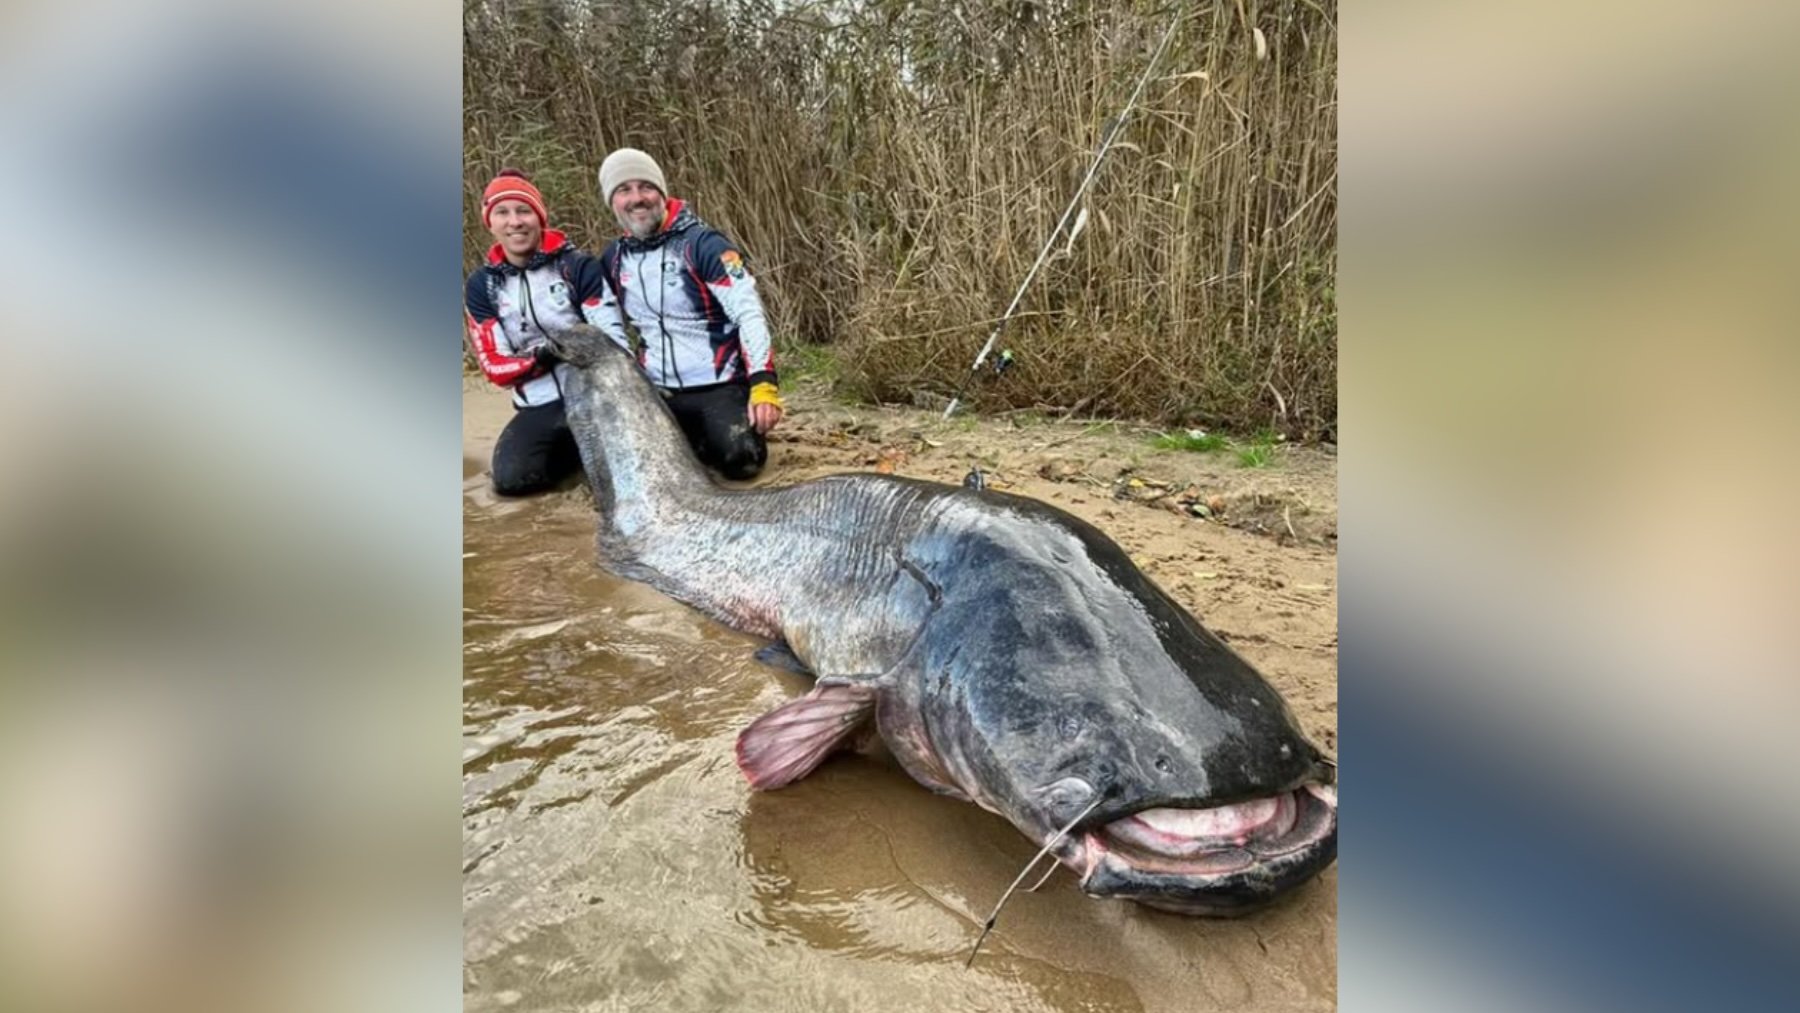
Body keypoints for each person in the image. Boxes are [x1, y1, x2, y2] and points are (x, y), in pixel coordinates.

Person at [591, 148, 784, 481]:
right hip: (656, 388)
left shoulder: (704, 245)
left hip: (719, 385)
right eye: (624, 190)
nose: (637, 199)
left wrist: (763, 385)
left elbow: (748, 313)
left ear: (662, 193)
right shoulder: (612, 258)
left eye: (646, 187)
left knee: (743, 462)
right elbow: (604, 327)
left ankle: (714, 434)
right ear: (612, 202)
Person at [464, 169, 610, 496]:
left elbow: (609, 340)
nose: (515, 221)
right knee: (512, 481)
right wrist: (544, 356)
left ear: (539, 217)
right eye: (502, 212)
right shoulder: (481, 286)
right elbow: (494, 365)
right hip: (538, 404)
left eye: (524, 211)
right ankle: (571, 459)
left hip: (594, 398)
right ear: (490, 223)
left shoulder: (577, 265)